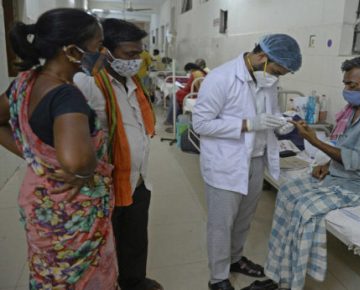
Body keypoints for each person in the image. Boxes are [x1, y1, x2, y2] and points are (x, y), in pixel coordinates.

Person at [0, 8, 117, 289]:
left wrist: (36, 157)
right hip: (71, 216)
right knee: (79, 279)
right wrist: (84, 170)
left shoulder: (24, 83)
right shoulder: (67, 97)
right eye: (98, 46)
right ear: (71, 50)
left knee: (49, 274)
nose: (104, 53)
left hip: (41, 205)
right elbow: (76, 161)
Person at [263, 56, 360, 290]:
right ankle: (277, 272)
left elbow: (356, 160)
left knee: (305, 209)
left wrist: (314, 140)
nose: (346, 90)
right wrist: (327, 166)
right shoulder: (355, 110)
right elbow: (346, 146)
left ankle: (290, 283)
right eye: (345, 83)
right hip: (340, 176)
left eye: (352, 85)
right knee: (287, 191)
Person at [192, 34, 302, 290]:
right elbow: (201, 124)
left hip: (255, 160)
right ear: (262, 57)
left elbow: (270, 113)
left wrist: (282, 123)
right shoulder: (220, 78)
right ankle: (218, 278)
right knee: (222, 224)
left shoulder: (267, 80)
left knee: (243, 219)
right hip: (226, 163)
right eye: (277, 70)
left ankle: (234, 260)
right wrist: (248, 124)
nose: (277, 77)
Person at [73, 19, 161, 290]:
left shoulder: (132, 81)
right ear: (105, 51)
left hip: (137, 177)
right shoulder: (87, 83)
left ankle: (134, 280)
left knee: (135, 235)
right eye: (129, 54)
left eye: (139, 53)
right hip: (106, 182)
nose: (136, 60)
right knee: (105, 240)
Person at [163, 62, 206, 128]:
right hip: (196, 93)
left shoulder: (195, 74)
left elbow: (189, 88)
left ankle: (170, 120)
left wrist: (183, 87)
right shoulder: (203, 72)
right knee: (175, 97)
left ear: (190, 69)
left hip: (192, 94)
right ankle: (172, 119)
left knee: (175, 96)